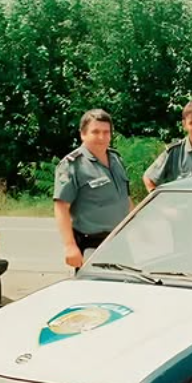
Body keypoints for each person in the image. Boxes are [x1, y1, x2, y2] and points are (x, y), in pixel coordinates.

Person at [53, 109, 134, 269]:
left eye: (106, 132)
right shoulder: (73, 165)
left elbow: (125, 199)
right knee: (95, 291)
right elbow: (61, 207)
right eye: (95, 132)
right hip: (91, 244)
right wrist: (69, 246)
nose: (102, 137)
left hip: (121, 241)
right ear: (83, 134)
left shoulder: (116, 159)